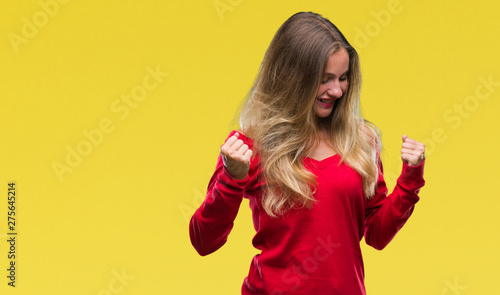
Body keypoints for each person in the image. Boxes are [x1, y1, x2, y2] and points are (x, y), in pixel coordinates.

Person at [189, 11, 426, 295]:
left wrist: (410, 180)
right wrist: (231, 179)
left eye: (343, 77)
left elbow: (376, 234)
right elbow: (204, 241)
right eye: (325, 79)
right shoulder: (251, 145)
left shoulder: (361, 141)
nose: (337, 91)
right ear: (293, 77)